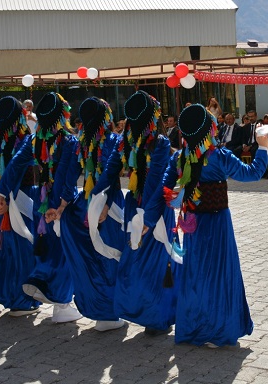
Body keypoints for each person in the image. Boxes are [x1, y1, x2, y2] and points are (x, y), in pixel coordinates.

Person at [143, 103, 268, 347]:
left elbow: (162, 191)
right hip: (218, 225)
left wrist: (148, 220)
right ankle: (218, 332)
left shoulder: (179, 157)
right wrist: (262, 146)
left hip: (193, 225)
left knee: (196, 275)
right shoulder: (219, 156)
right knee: (219, 275)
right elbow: (252, 173)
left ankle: (195, 329)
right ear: (210, 128)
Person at [92, 90, 178, 336]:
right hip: (135, 208)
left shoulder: (160, 144)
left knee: (157, 265)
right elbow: (110, 171)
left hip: (155, 210)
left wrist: (147, 218)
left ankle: (159, 318)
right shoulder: (125, 142)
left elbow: (159, 182)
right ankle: (144, 312)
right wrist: (100, 201)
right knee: (136, 262)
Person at [0, 92, 82, 323]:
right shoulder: (69, 140)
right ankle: (61, 303)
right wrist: (62, 205)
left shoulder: (35, 140)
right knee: (63, 252)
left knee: (45, 246)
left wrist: (0, 192)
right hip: (58, 206)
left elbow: (14, 165)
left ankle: (41, 282)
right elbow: (66, 174)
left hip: (41, 203)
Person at [52, 96, 127, 331]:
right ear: (107, 117)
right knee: (109, 259)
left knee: (92, 259)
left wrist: (63, 205)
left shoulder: (78, 143)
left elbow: (68, 177)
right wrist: (103, 204)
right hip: (108, 205)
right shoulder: (115, 140)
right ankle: (109, 314)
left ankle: (100, 311)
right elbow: (111, 175)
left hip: (85, 204)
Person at [0, 96, 40, 316]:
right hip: (17, 200)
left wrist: (0, 197)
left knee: (8, 249)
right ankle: (21, 300)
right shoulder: (26, 140)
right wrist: (5, 199)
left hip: (5, 200)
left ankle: (13, 296)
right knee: (20, 250)